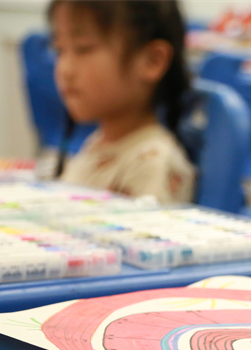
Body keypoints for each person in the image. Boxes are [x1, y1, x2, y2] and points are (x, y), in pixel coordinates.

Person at [49, 0, 195, 204]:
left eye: (83, 49)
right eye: (59, 50)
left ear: (152, 60)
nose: (65, 69)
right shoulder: (99, 141)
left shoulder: (151, 162)